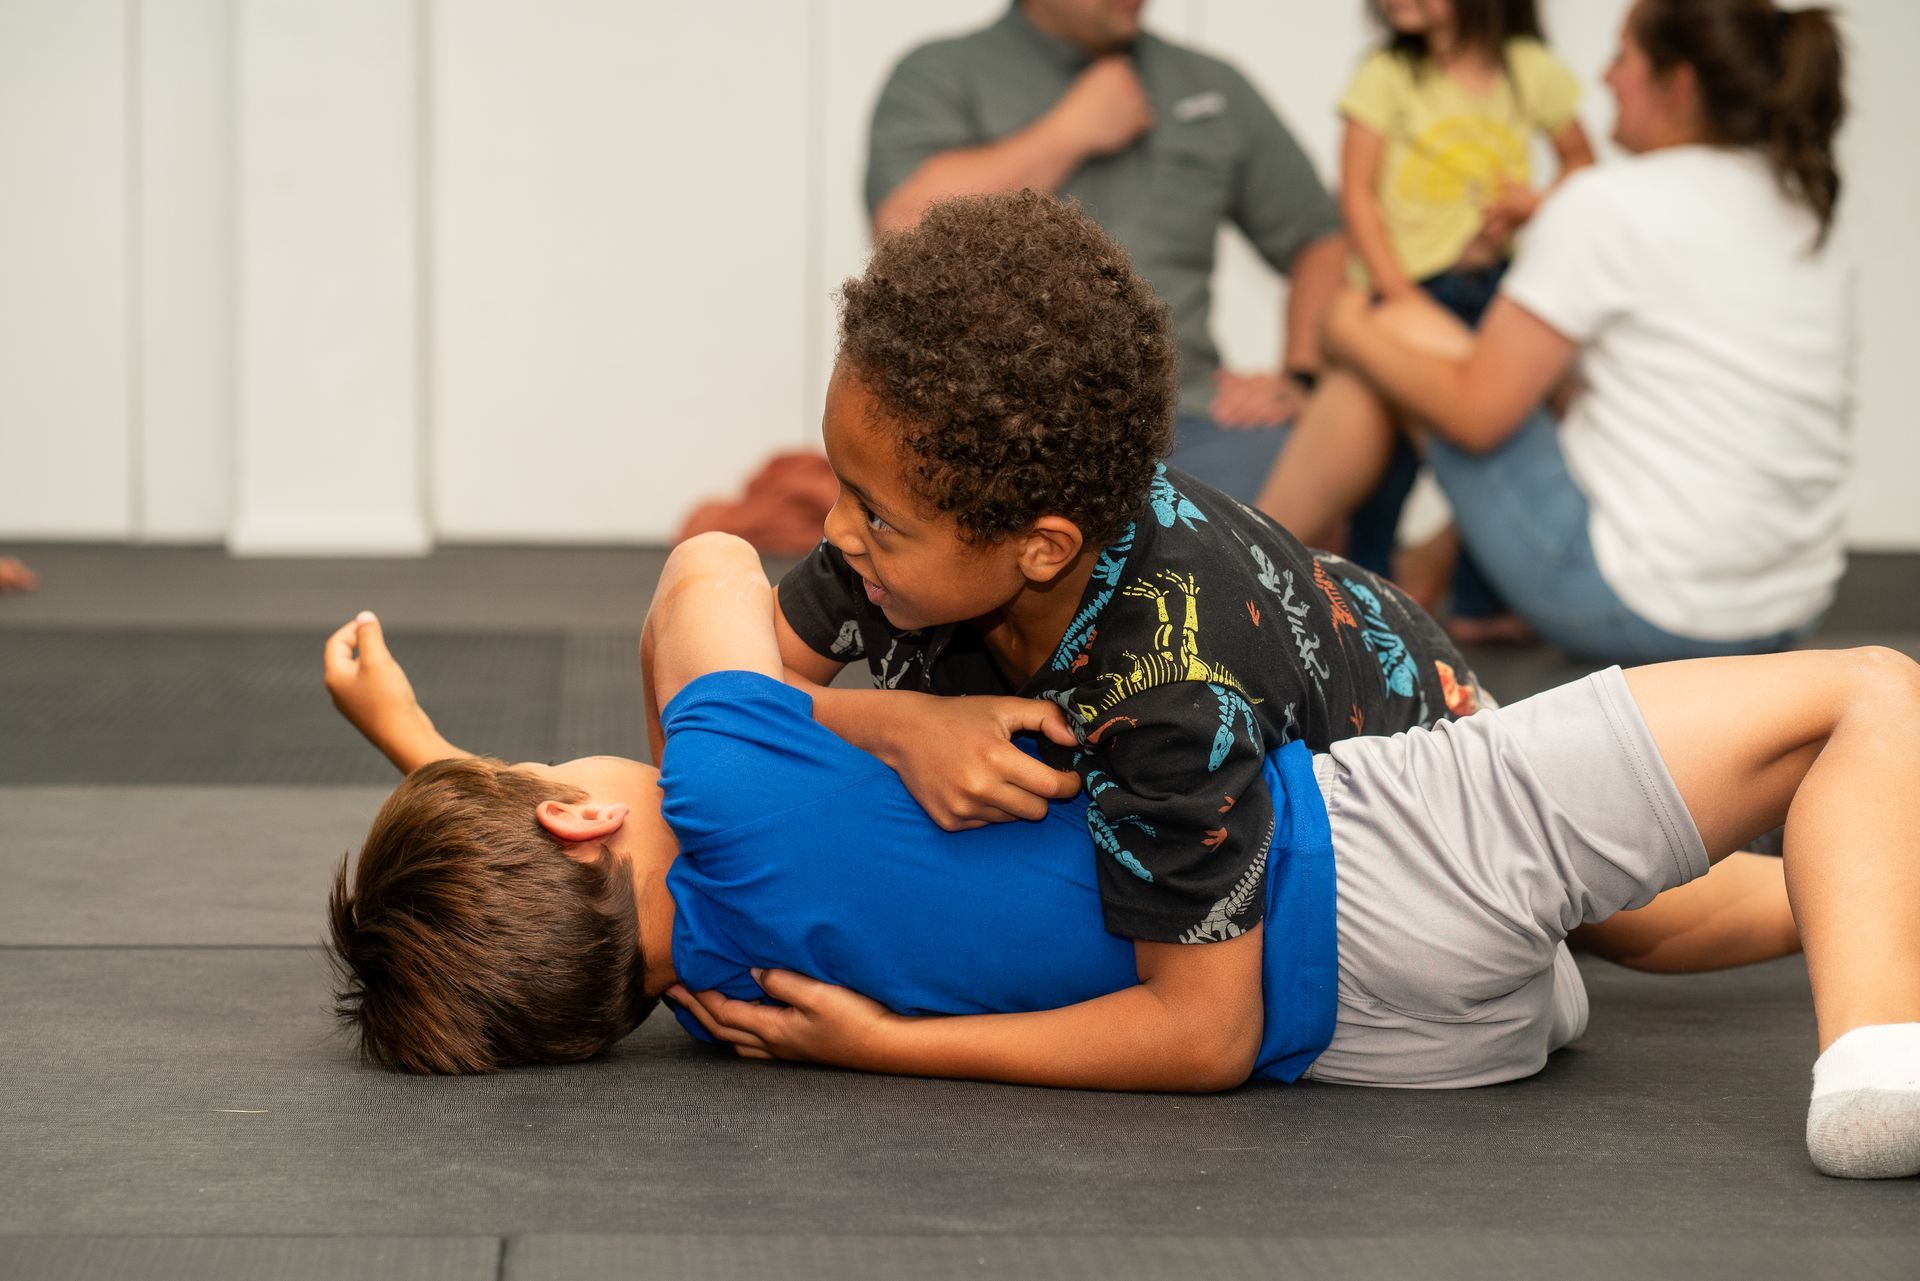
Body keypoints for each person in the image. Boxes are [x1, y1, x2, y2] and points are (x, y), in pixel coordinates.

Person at [323, 533, 1920, 1180]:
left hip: (1404, 1046)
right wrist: (875, 723)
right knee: (1862, 696)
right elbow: (709, 570)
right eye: (542, 773)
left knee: (1629, 912)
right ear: (577, 814)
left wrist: (430, 754)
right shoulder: (727, 776)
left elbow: (542, 905)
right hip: (1375, 853)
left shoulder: (718, 1000)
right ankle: (1870, 1059)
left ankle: (1889, 928)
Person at [775, 190, 1486, 1063]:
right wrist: (894, 722)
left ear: (1041, 548)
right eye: (840, 484)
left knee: (1633, 923)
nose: (836, 530)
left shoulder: (1170, 689)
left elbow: (1206, 1034)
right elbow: (715, 701)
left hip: (1441, 764)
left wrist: (886, 1044)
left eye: (873, 512)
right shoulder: (894, 548)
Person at [1258, 0, 1850, 664]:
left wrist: (1341, 326)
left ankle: (1237, 572)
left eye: (1623, 55)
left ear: (1678, 85)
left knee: (1389, 332)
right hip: (1788, 609)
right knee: (1528, 376)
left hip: (1639, 608)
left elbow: (1476, 415)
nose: (1603, 79)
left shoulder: (1610, 204)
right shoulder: (1797, 203)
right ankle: (1402, 565)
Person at [865, 0, 1346, 499]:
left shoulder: (1210, 84)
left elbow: (1321, 238)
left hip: (1191, 427)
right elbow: (901, 233)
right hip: (996, 432)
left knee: (1336, 448)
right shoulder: (942, 72)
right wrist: (1068, 132)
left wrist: (1301, 377)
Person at [1336, 0, 1594, 638]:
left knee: (1495, 448)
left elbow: (1583, 164)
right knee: (1388, 455)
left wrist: (1535, 202)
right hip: (1414, 283)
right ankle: (1367, 601)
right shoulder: (1387, 72)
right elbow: (1357, 193)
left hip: (1498, 285)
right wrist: (1397, 294)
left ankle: (1482, 604)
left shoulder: (1526, 69)